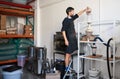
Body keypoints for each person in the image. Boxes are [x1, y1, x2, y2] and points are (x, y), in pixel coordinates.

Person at [61, 7, 91, 71]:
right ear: (69, 12)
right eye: (72, 11)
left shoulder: (71, 19)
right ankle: (66, 68)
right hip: (69, 39)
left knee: (70, 54)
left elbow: (78, 14)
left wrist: (84, 9)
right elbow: (63, 31)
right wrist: (66, 40)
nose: (73, 13)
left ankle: (68, 67)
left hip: (73, 39)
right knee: (67, 54)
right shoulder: (65, 20)